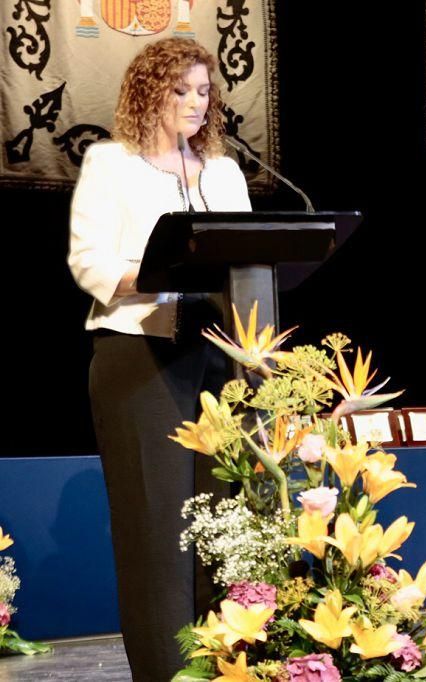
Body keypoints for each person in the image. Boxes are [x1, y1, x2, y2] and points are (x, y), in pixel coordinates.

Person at [67, 38, 251, 681]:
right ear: (148, 92)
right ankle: (167, 672)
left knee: (225, 524)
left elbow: (250, 257)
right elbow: (88, 262)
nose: (197, 103)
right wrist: (159, 272)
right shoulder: (110, 164)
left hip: (222, 354)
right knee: (159, 528)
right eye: (182, 90)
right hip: (139, 353)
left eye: (205, 91)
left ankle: (228, 664)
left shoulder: (224, 172)